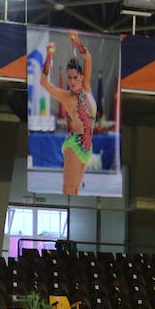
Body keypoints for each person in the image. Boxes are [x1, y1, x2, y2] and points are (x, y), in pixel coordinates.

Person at [36, 31, 95, 195]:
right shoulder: (66, 96)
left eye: (75, 77)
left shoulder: (86, 88)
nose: (72, 81)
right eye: (69, 78)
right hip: (75, 144)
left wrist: (76, 41)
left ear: (82, 77)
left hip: (87, 146)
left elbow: (88, 58)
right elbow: (43, 83)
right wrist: (49, 55)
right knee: (69, 190)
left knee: (76, 190)